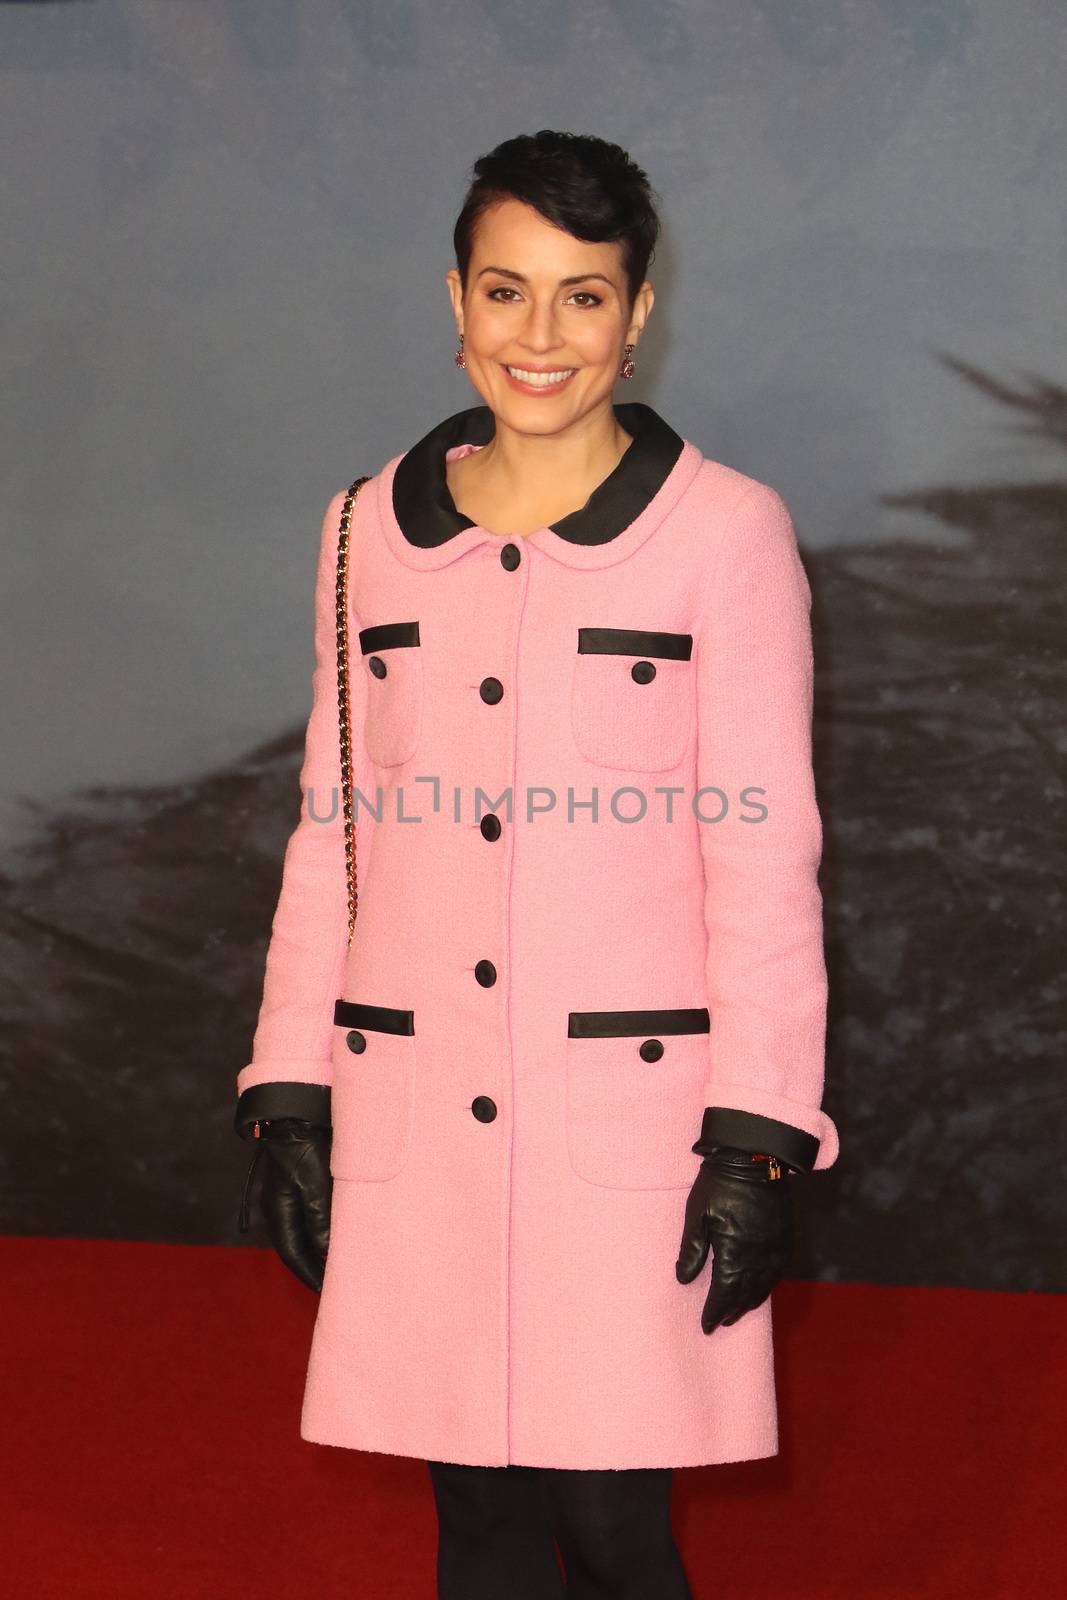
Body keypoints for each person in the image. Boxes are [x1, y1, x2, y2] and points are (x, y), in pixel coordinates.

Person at [233, 129, 839, 1600]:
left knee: (618, 1528)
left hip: (625, 1131)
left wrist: (760, 1134)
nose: (541, 335)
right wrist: (287, 1087)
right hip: (418, 1111)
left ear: (638, 317)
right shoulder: (361, 533)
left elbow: (766, 861)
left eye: (584, 296)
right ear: (456, 303)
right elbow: (337, 829)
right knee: (480, 1529)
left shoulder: (728, 534)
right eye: (508, 291)